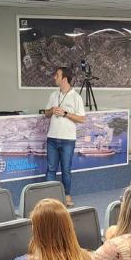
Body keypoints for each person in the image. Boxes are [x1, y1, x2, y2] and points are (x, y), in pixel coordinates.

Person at [43, 66, 85, 208]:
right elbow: (46, 113)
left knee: (66, 169)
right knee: (50, 169)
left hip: (68, 140)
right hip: (52, 138)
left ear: (64, 79)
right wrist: (51, 110)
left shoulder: (76, 97)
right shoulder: (53, 95)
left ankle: (67, 196)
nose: (55, 77)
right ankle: (49, 198)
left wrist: (66, 113)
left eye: (57, 75)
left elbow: (82, 119)